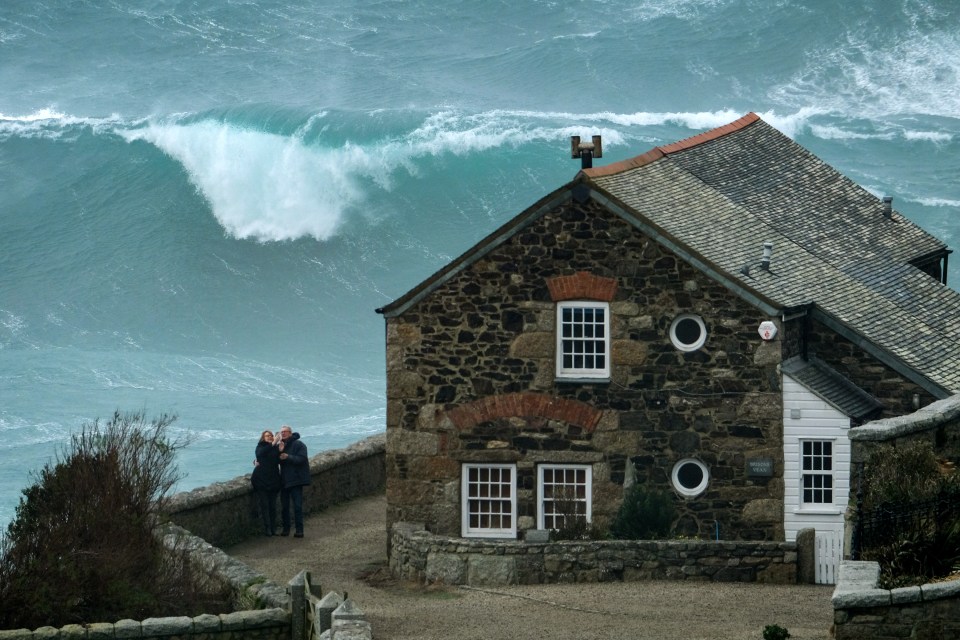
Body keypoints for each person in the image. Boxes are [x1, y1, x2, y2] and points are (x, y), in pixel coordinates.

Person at [277, 424, 310, 537]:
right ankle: (286, 529)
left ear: (290, 433)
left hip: (296, 480)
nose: (283, 433)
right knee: (284, 507)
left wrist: (288, 457)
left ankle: (299, 530)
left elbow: (302, 459)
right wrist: (279, 452)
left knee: (297, 506)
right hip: (284, 480)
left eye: (285, 432)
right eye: (281, 432)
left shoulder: (299, 444)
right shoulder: (281, 445)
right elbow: (273, 460)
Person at [251, 429, 282, 536]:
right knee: (265, 505)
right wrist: (273, 443)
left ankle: (273, 528)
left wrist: (281, 450)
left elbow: (278, 461)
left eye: (271, 435)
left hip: (273, 480)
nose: (269, 437)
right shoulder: (260, 446)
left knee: (273, 506)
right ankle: (267, 529)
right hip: (261, 480)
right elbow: (260, 454)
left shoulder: (275, 448)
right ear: (263, 438)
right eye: (267, 436)